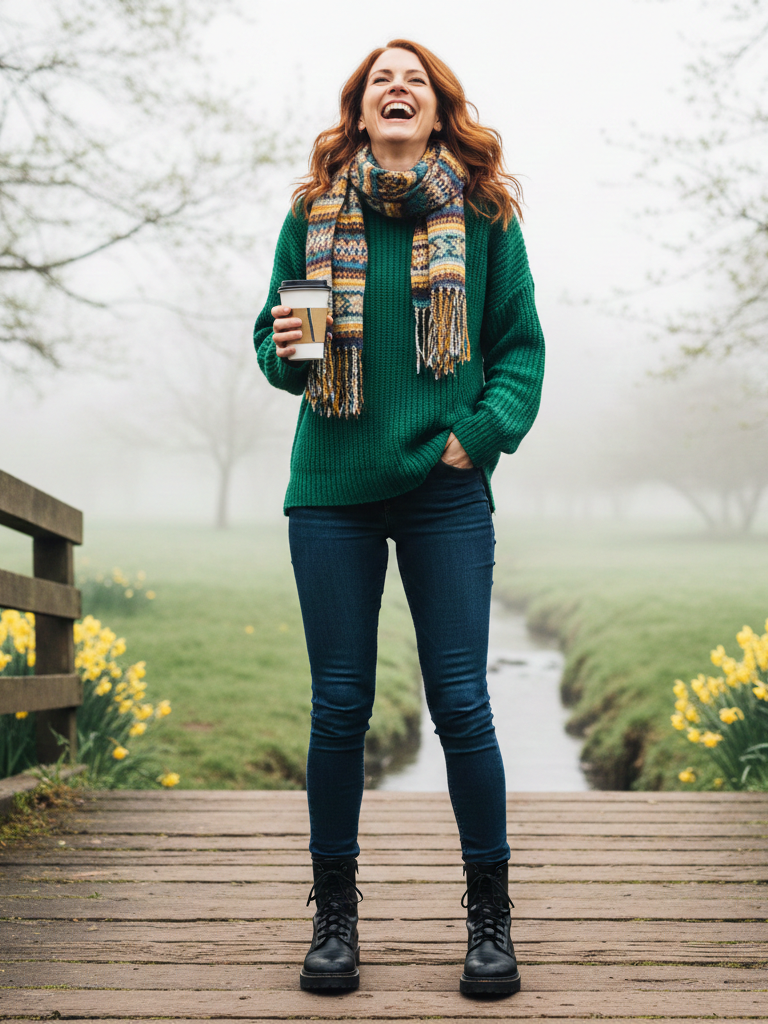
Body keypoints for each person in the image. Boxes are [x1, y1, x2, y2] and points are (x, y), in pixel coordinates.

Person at [253, 39, 545, 997]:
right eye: (382, 78)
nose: (397, 87)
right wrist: (289, 348)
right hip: (331, 485)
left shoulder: (485, 215)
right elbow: (277, 349)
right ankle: (335, 920)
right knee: (341, 706)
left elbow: (520, 349)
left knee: (461, 702)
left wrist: (478, 435)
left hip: (443, 489)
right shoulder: (313, 213)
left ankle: (490, 920)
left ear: (437, 108)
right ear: (360, 108)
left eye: (414, 79)